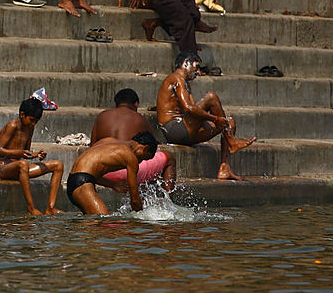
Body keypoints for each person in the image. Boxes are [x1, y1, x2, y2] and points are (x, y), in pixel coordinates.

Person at [156, 51, 256, 181]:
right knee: (211, 97)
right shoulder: (176, 78)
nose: (198, 72)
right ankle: (231, 141)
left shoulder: (186, 83)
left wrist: (219, 121)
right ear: (186, 63)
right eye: (196, 66)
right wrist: (215, 119)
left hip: (185, 130)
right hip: (174, 130)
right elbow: (189, 107)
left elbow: (194, 110)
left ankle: (224, 168)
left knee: (229, 123)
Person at [91, 88, 176, 193]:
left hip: (100, 172)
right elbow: (151, 145)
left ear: (116, 104)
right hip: (127, 172)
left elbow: (92, 146)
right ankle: (168, 204)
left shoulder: (101, 116)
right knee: (170, 158)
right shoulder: (140, 118)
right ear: (136, 104)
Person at [0, 98, 64, 215]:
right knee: (23, 164)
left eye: (36, 121)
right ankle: (31, 207)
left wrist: (36, 155)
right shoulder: (12, 126)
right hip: (5, 167)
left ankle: (51, 207)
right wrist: (19, 153)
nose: (33, 124)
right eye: (31, 120)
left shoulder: (30, 128)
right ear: (22, 114)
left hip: (21, 168)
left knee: (58, 165)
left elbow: (26, 152)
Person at [67, 132, 159, 214]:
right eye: (143, 158)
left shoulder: (108, 141)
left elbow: (90, 170)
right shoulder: (130, 157)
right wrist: (142, 218)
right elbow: (134, 200)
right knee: (103, 222)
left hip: (74, 181)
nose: (140, 162)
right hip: (83, 185)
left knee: (90, 227)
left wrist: (112, 184)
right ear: (145, 148)